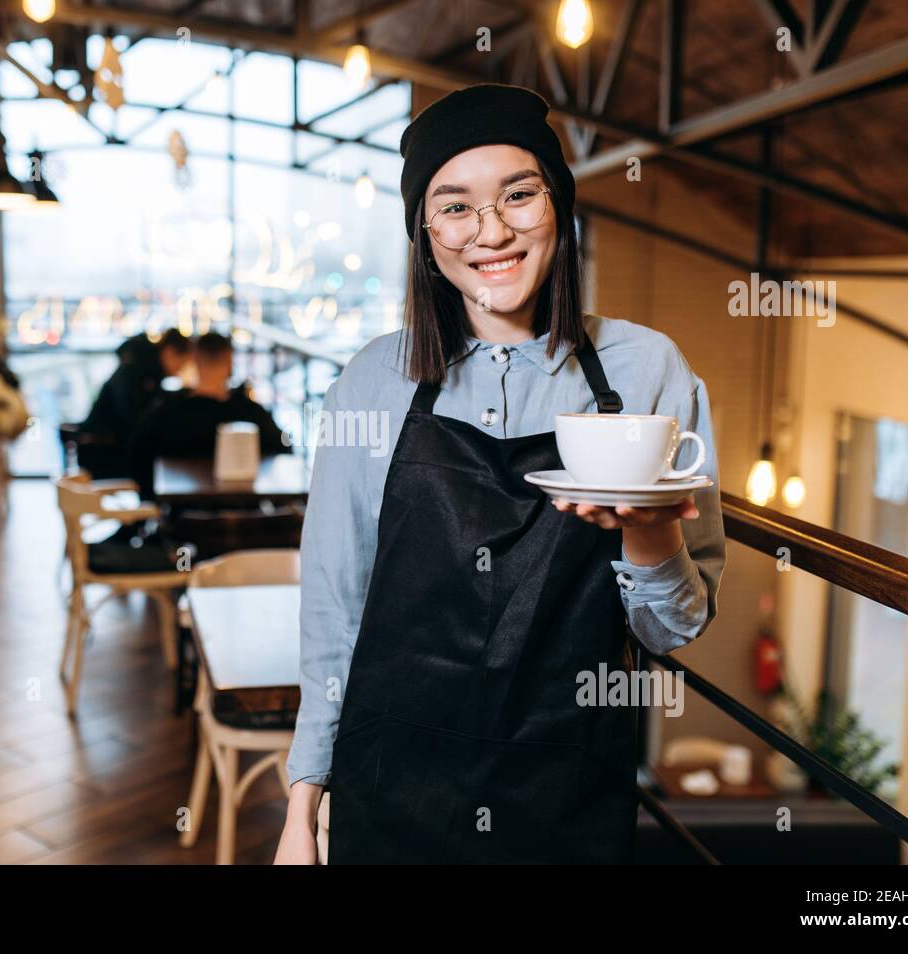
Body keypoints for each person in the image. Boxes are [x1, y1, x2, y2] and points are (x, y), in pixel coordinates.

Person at [274, 84, 727, 865]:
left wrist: (651, 530)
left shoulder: (647, 369)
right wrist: (303, 801)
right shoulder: (371, 382)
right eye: (454, 206)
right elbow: (335, 604)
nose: (491, 231)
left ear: (560, 204)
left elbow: (672, 627)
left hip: (567, 782)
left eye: (519, 194)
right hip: (393, 782)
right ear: (422, 230)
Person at [128, 331, 289, 496]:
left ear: (194, 361)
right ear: (229, 361)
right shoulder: (251, 413)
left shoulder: (166, 412)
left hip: (180, 513)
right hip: (248, 513)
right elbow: (285, 451)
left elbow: (137, 454)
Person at [76, 330, 192, 479]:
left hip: (104, 449)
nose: (179, 371)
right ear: (169, 352)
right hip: (104, 453)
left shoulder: (141, 369)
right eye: (182, 364)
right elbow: (135, 420)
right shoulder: (137, 374)